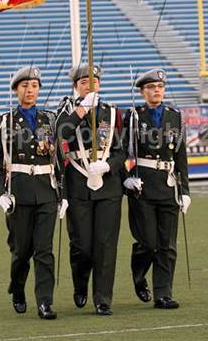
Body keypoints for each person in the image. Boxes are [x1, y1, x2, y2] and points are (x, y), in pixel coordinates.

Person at [0, 65, 68, 320]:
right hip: (19, 196)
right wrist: (1, 194)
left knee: (44, 251)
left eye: (34, 86)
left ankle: (44, 302)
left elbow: (58, 160)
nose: (30, 90)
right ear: (16, 90)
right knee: (21, 252)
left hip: (46, 193)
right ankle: (18, 289)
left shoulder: (49, 119)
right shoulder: (7, 121)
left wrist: (63, 195)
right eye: (25, 86)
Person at [56, 64, 124, 316]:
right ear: (76, 86)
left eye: (94, 81)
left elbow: (122, 150)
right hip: (78, 185)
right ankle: (80, 283)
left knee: (105, 245)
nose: (89, 85)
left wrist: (108, 165)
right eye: (84, 82)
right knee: (82, 245)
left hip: (108, 187)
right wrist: (83, 109)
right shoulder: (66, 110)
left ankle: (103, 298)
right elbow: (60, 133)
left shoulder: (113, 113)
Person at [122, 68, 191, 309]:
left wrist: (185, 191)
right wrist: (127, 177)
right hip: (142, 186)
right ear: (142, 92)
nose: (157, 91)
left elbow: (181, 156)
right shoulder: (132, 116)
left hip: (168, 184)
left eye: (160, 87)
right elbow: (121, 151)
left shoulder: (175, 116)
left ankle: (163, 293)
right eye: (151, 87)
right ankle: (139, 278)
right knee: (147, 243)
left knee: (167, 244)